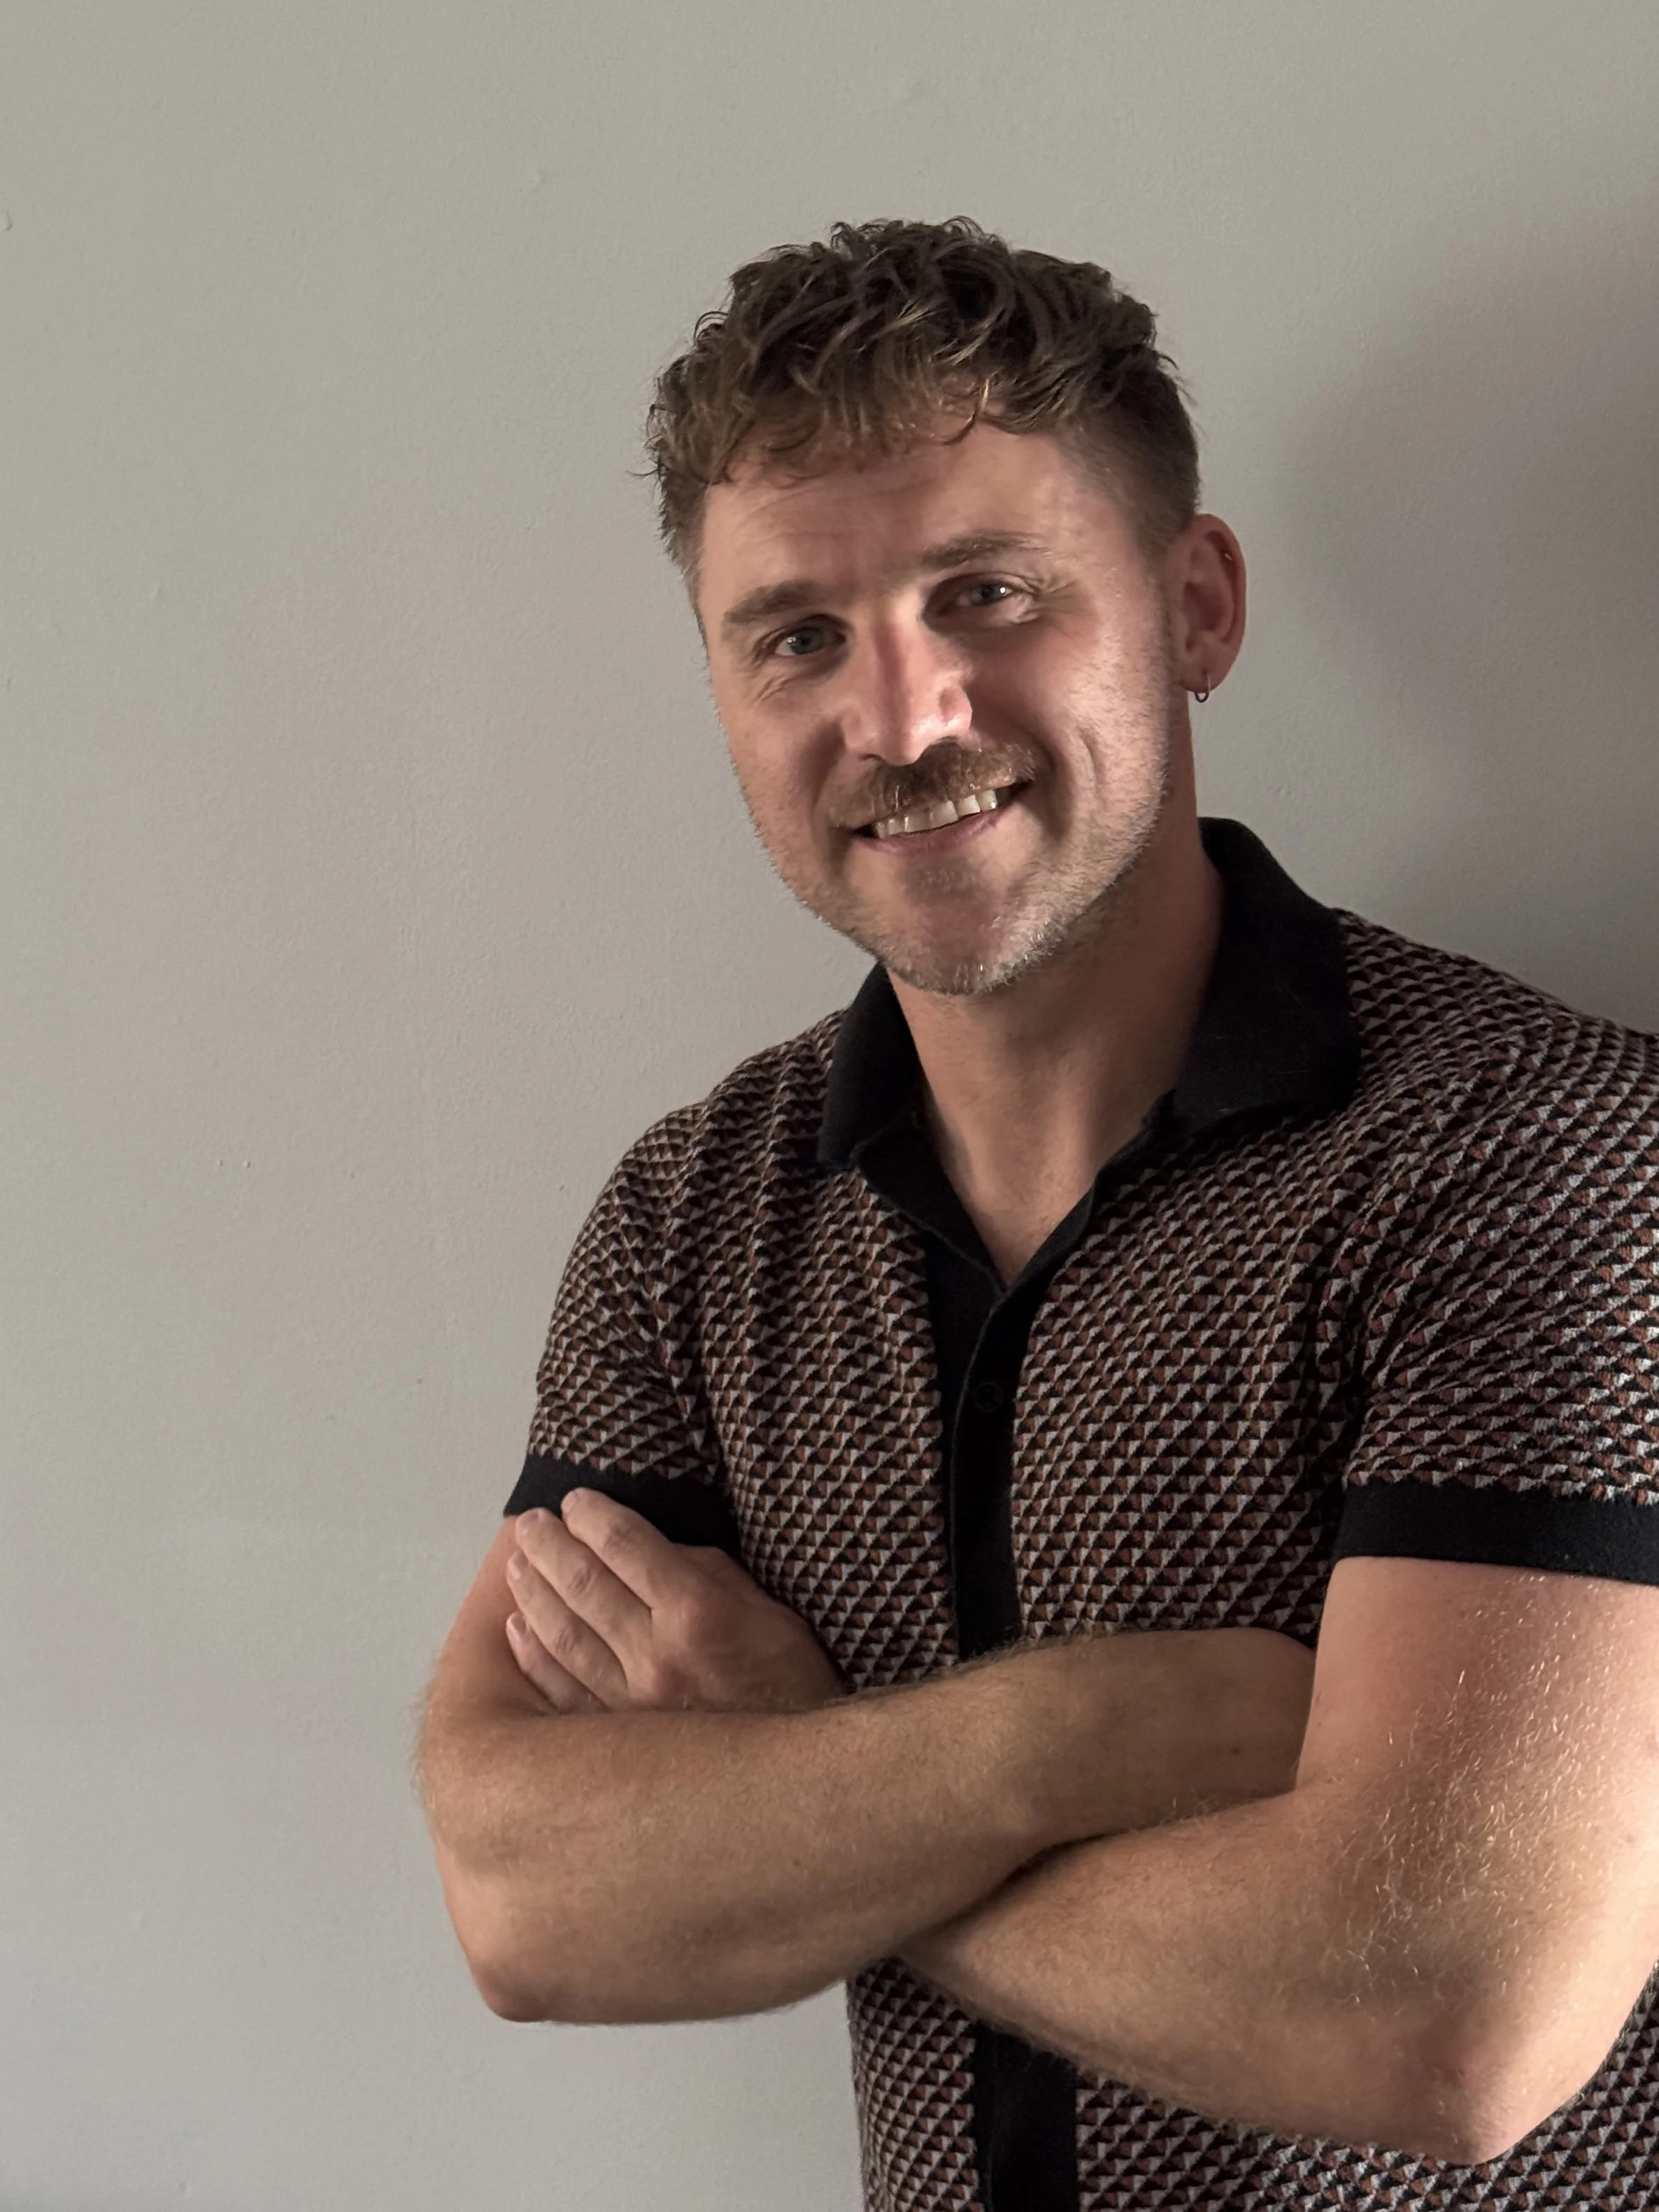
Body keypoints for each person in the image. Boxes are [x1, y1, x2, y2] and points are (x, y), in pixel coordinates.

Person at [416, 219, 1659, 2210]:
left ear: (1194, 605)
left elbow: (1449, 2012)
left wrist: (804, 1783)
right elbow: (527, 1904)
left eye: (984, 595)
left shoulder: (1534, 1154)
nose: (904, 720)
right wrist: (1056, 1743)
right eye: (795, 636)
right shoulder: (693, 1217)